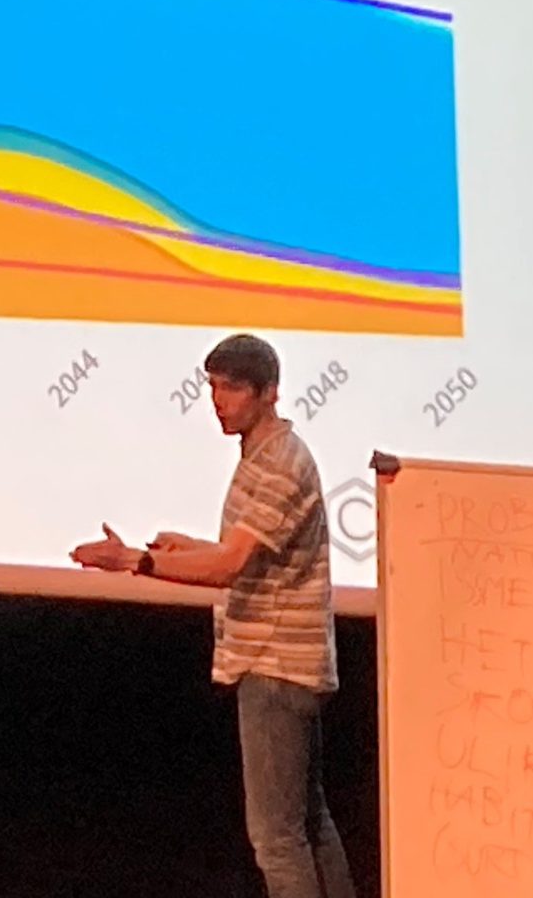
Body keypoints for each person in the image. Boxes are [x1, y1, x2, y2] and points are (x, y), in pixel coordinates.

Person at [70, 332, 354, 898]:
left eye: (232, 388)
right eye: (213, 387)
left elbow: (230, 565)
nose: (218, 401)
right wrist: (190, 547)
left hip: (276, 665)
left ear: (269, 393)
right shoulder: (266, 456)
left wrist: (136, 561)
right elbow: (255, 556)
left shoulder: (280, 464)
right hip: (283, 661)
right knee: (307, 824)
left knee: (277, 840)